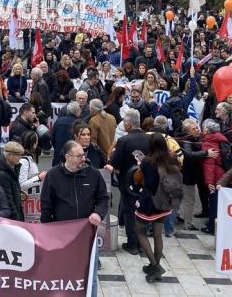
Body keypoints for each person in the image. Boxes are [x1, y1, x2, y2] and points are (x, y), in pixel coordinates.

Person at [40, 140, 109, 294]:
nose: (83, 159)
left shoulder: (93, 174)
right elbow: (46, 207)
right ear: (67, 157)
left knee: (89, 274)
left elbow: (103, 199)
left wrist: (98, 213)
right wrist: (47, 234)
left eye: (83, 155)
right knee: (62, 274)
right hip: (62, 237)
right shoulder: (53, 176)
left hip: (87, 234)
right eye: (79, 156)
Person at [134, 133, 184, 283]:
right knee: (157, 234)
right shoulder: (170, 159)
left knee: (140, 231)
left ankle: (155, 267)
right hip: (165, 202)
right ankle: (154, 267)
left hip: (150, 202)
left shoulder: (147, 162)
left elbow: (147, 183)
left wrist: (139, 166)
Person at [110, 109, 151, 254]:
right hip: (146, 182)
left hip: (128, 183)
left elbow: (114, 161)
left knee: (129, 212)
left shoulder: (123, 140)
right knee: (142, 211)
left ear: (128, 124)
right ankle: (142, 243)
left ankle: (133, 243)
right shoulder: (149, 139)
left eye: (124, 122)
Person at [0, 140, 25, 221]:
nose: (20, 158)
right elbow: (8, 200)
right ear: (9, 155)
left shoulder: (12, 167)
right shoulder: (1, 174)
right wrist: (17, 220)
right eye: (18, 155)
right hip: (8, 219)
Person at [51, 101, 81, 166]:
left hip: (58, 155)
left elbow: (52, 137)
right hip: (72, 155)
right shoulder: (78, 124)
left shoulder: (59, 121)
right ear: (77, 110)